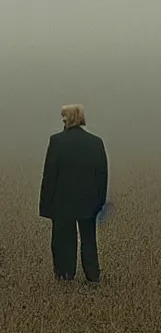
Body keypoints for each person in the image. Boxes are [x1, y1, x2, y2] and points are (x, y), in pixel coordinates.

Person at [39, 104, 109, 283]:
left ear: (69, 119)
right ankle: (92, 276)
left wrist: (46, 206)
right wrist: (100, 201)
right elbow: (102, 174)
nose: (62, 120)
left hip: (62, 201)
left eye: (64, 117)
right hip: (89, 201)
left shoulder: (56, 141)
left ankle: (65, 275)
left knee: (64, 241)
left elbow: (50, 175)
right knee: (89, 240)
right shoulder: (96, 142)